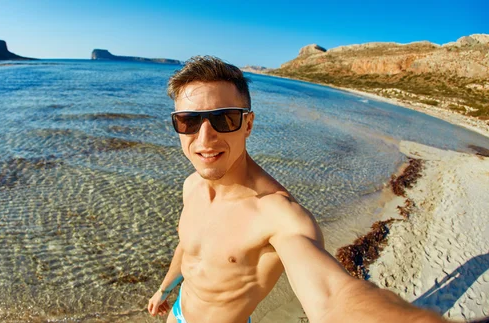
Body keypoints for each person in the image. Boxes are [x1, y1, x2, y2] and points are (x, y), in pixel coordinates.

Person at [147, 56, 447, 323]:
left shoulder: (277, 214)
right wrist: (164, 289)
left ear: (248, 124)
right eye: (189, 121)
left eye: (224, 119)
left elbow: (331, 297)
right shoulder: (192, 186)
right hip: (178, 314)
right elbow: (189, 247)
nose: (205, 137)